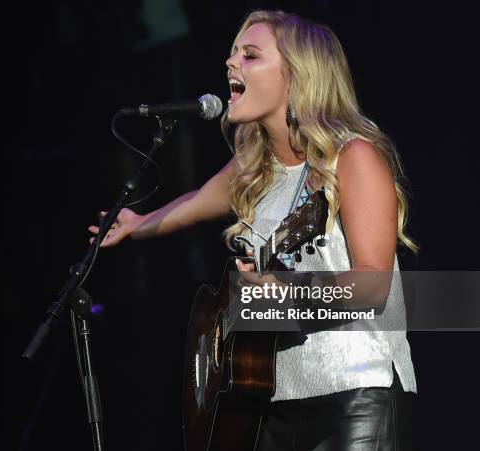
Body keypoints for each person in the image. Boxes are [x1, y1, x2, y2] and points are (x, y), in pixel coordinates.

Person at [89, 10, 417, 451]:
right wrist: (136, 226)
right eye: (231, 53)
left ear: (297, 75)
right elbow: (195, 202)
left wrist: (287, 292)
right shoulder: (255, 168)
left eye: (251, 54)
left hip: (356, 393)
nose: (230, 63)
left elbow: (373, 286)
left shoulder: (353, 157)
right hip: (272, 399)